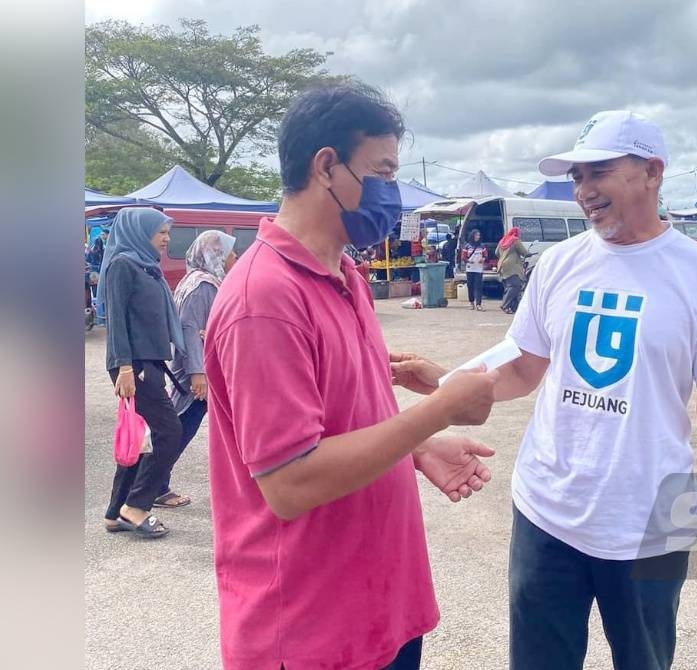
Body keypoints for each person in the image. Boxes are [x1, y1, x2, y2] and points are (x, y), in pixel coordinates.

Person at [403, 110, 697, 669]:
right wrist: (447, 380)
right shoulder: (557, 266)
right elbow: (525, 368)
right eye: (576, 176)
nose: (584, 190)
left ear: (652, 172)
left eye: (598, 171)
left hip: (648, 526)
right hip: (547, 512)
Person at [202, 81, 499, 670]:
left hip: (378, 611)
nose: (392, 192)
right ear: (326, 166)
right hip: (311, 631)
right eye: (383, 171)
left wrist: (417, 448)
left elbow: (339, 421)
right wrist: (434, 412)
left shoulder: (344, 275)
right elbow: (290, 483)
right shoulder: (266, 298)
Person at [98, 207, 187, 538]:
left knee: (140, 437)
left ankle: (114, 512)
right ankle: (136, 507)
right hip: (132, 364)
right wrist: (124, 367)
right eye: (161, 232)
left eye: (166, 233)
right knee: (169, 432)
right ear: (140, 231)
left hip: (147, 362)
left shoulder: (146, 266)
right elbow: (116, 320)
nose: (166, 239)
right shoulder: (123, 265)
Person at [150, 230, 237, 510]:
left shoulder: (201, 280)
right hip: (197, 375)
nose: (235, 257)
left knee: (189, 429)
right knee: (180, 430)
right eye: (230, 252)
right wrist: (198, 374)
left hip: (202, 369)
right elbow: (190, 329)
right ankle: (154, 486)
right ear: (216, 255)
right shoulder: (203, 286)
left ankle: (154, 485)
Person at [497, 226, 531, 314]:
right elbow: (524, 252)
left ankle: (513, 308)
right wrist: (528, 254)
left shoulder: (502, 240)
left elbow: (496, 252)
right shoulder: (515, 240)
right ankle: (505, 305)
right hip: (512, 267)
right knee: (515, 286)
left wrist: (502, 257)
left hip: (502, 265)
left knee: (508, 286)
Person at [462, 228, 489, 310]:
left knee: (479, 286)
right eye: (476, 235)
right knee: (470, 286)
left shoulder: (482, 246)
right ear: (472, 236)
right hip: (470, 268)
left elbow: (485, 255)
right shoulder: (467, 246)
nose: (478, 237)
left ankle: (478, 304)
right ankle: (471, 302)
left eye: (479, 235)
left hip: (479, 269)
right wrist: (469, 261)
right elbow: (463, 257)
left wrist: (483, 259)